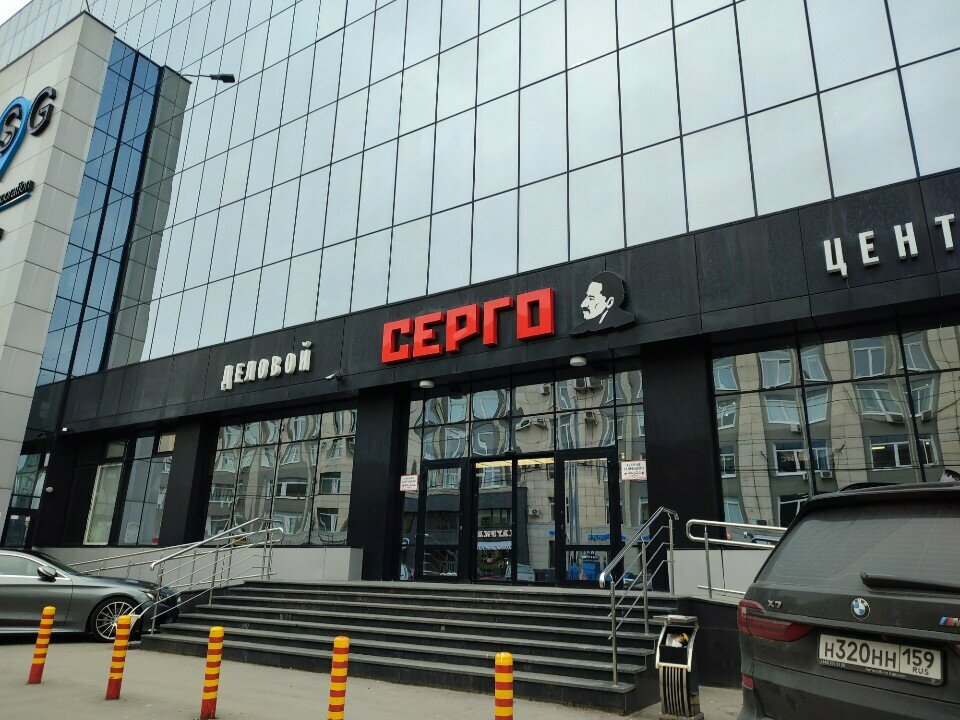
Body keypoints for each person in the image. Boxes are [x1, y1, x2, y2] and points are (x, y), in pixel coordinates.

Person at [570, 271, 635, 335]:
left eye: (591, 298)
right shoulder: (580, 329)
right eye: (587, 297)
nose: (583, 304)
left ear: (609, 302)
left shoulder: (626, 319)